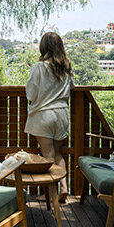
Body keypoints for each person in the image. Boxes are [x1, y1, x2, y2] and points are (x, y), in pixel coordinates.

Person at [24, 32, 74, 202]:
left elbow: (31, 93)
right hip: (61, 114)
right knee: (58, 154)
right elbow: (71, 88)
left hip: (44, 114)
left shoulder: (40, 67)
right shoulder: (66, 67)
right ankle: (64, 188)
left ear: (43, 47)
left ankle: (51, 195)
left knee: (48, 155)